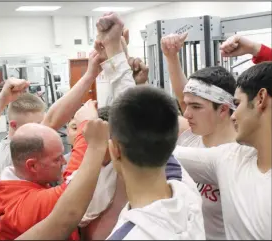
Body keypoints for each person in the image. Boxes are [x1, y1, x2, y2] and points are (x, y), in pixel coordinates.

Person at [79, 13, 201, 240]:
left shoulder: (127, 235)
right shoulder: (186, 192)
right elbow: (139, 115)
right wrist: (117, 53)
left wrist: (116, 52)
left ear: (115, 150)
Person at [173, 61, 272, 240]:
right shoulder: (228, 158)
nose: (234, 114)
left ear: (260, 99)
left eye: (237, 103)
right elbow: (155, 149)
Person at [0, 95, 103, 239]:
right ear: (33, 166)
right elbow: (73, 186)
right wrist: (88, 130)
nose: (64, 162)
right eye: (56, 159)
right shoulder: (23, 208)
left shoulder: (10, 183)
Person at [160, 32, 237, 240]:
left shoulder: (243, 152)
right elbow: (182, 94)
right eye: (186, 105)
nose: (186, 113)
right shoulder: (189, 136)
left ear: (223, 110)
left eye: (195, 107)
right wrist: (171, 57)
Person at [0, 50, 104, 179]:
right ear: (13, 125)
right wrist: (90, 75)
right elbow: (52, 121)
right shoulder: (13, 154)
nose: (43, 130)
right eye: (37, 125)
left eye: (42, 123)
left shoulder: (0, 148)